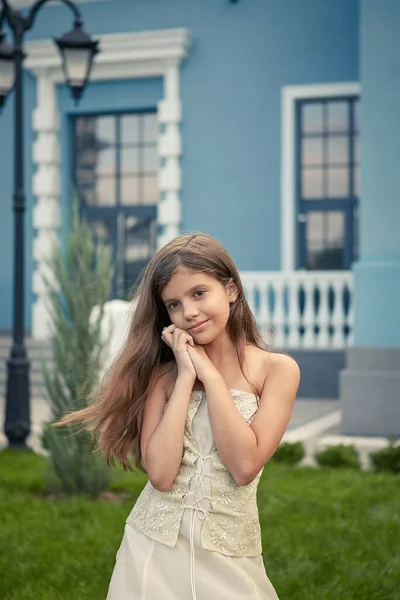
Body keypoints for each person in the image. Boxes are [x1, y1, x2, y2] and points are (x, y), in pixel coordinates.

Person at [57, 233, 300, 600]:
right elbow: (161, 475)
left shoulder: (276, 370)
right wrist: (187, 375)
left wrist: (211, 377)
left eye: (199, 293)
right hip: (152, 548)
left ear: (230, 289)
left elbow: (244, 463)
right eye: (174, 304)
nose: (188, 312)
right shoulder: (165, 377)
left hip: (228, 549)